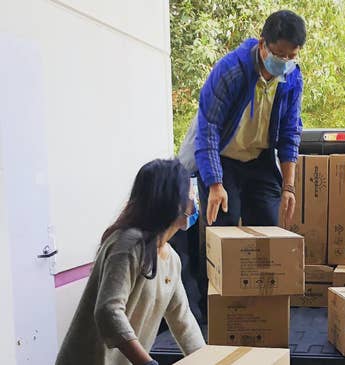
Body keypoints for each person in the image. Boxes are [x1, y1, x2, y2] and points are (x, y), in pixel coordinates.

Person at [56, 159, 205, 365]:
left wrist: (209, 360)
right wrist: (147, 363)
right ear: (171, 200)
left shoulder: (170, 258)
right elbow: (108, 311)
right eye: (189, 195)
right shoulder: (128, 244)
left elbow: (183, 321)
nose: (194, 201)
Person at [195, 9, 306, 229]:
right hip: (224, 159)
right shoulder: (231, 71)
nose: (285, 62)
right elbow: (208, 129)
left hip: (260, 160)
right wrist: (215, 184)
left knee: (268, 227)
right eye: (279, 54)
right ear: (263, 43)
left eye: (291, 56)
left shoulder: (292, 78)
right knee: (223, 227)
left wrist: (288, 187)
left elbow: (290, 133)